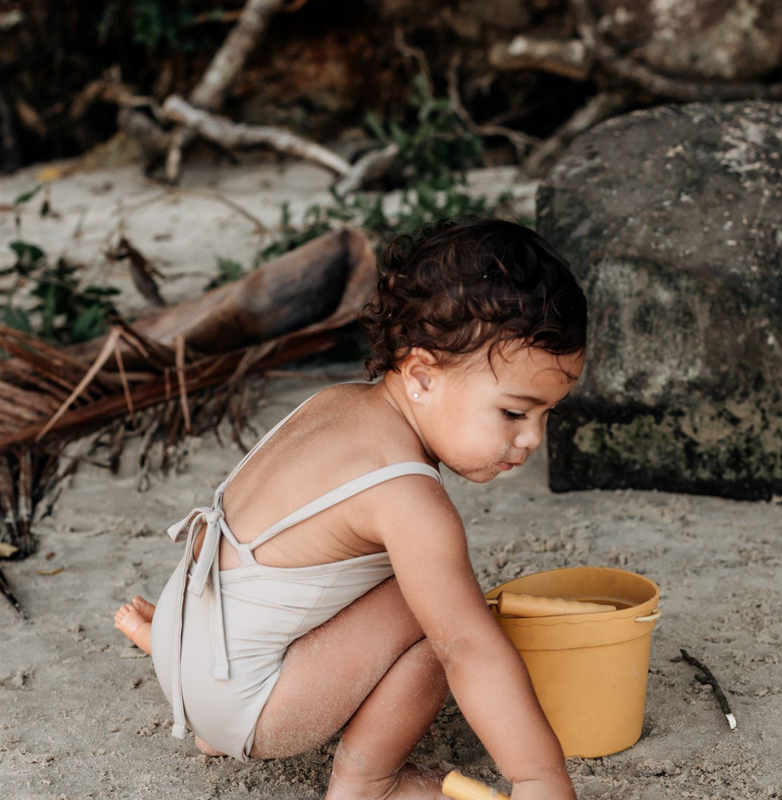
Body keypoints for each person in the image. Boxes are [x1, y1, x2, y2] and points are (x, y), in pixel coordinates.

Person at [114, 215, 587, 800]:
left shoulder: (333, 404)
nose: (533, 439)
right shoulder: (408, 497)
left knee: (398, 578)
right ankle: (368, 783)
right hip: (246, 706)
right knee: (442, 613)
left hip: (186, 651)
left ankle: (201, 693)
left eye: (548, 414)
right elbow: (467, 651)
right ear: (421, 375)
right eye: (515, 413)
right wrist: (541, 777)